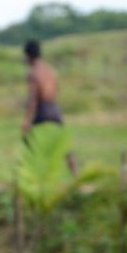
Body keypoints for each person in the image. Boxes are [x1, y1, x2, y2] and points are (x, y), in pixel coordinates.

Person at [22, 40, 78, 175]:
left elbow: (33, 99)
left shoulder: (33, 73)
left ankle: (28, 177)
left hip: (42, 111)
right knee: (64, 144)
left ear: (28, 56)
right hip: (54, 108)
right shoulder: (50, 70)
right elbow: (56, 90)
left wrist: (27, 120)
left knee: (31, 144)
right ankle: (76, 174)